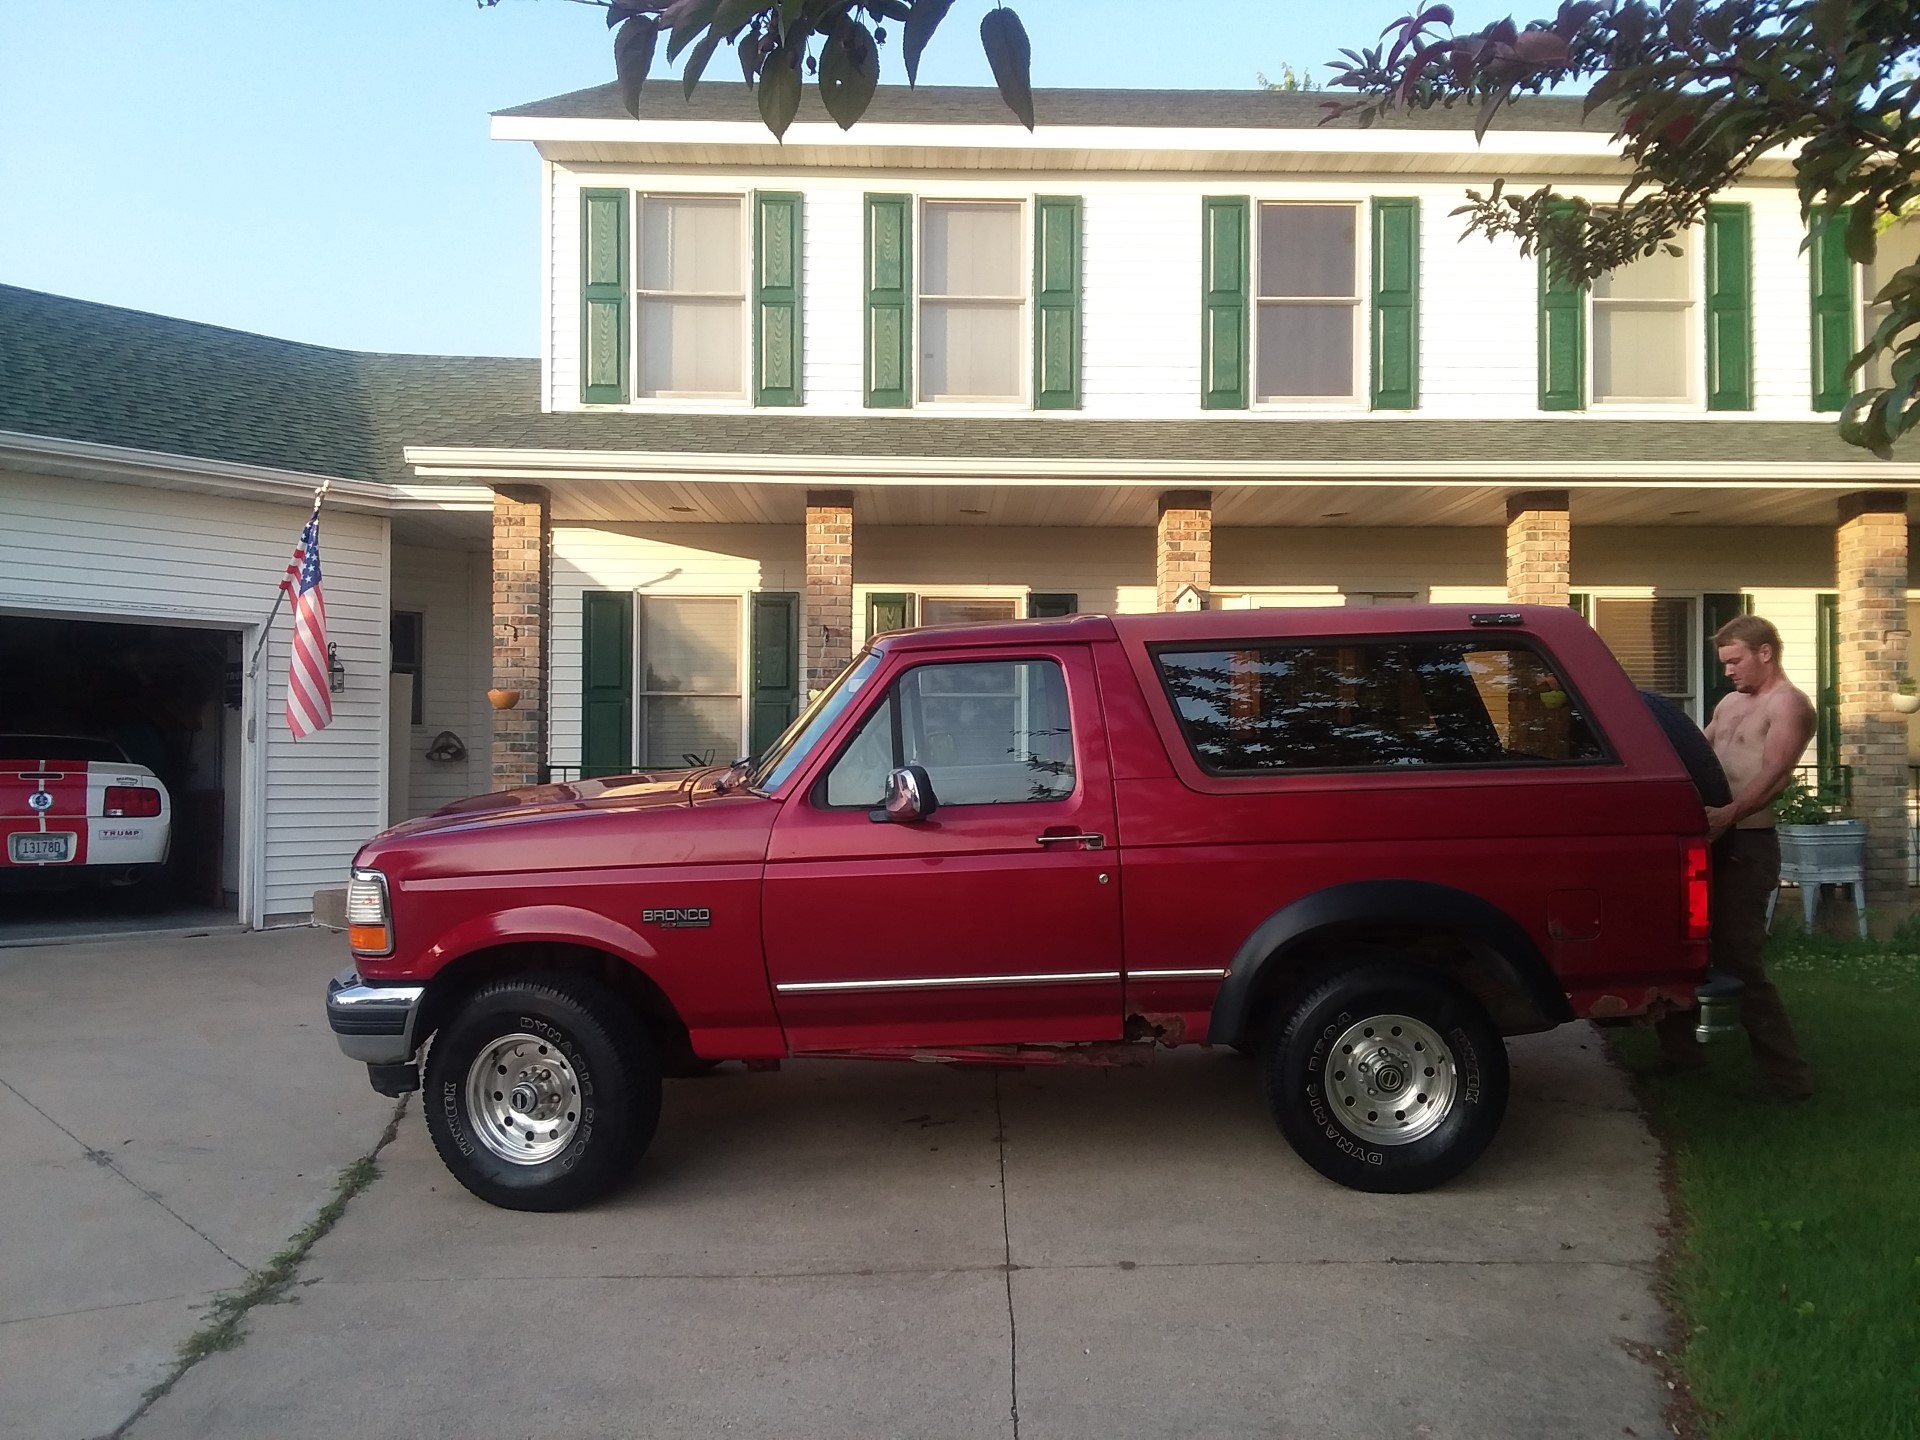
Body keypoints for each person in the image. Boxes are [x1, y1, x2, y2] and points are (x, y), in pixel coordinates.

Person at [1655, 614, 1817, 1101]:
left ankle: (1789, 1082)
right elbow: (1694, 753)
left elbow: (1777, 773)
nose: (1727, 670)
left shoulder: (1791, 705)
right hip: (1708, 838)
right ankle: (1682, 1057)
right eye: (1723, 662)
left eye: (1734, 660)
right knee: (1679, 945)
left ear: (1764, 652)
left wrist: (1729, 815)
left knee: (1738, 958)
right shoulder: (1728, 704)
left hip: (1747, 845)